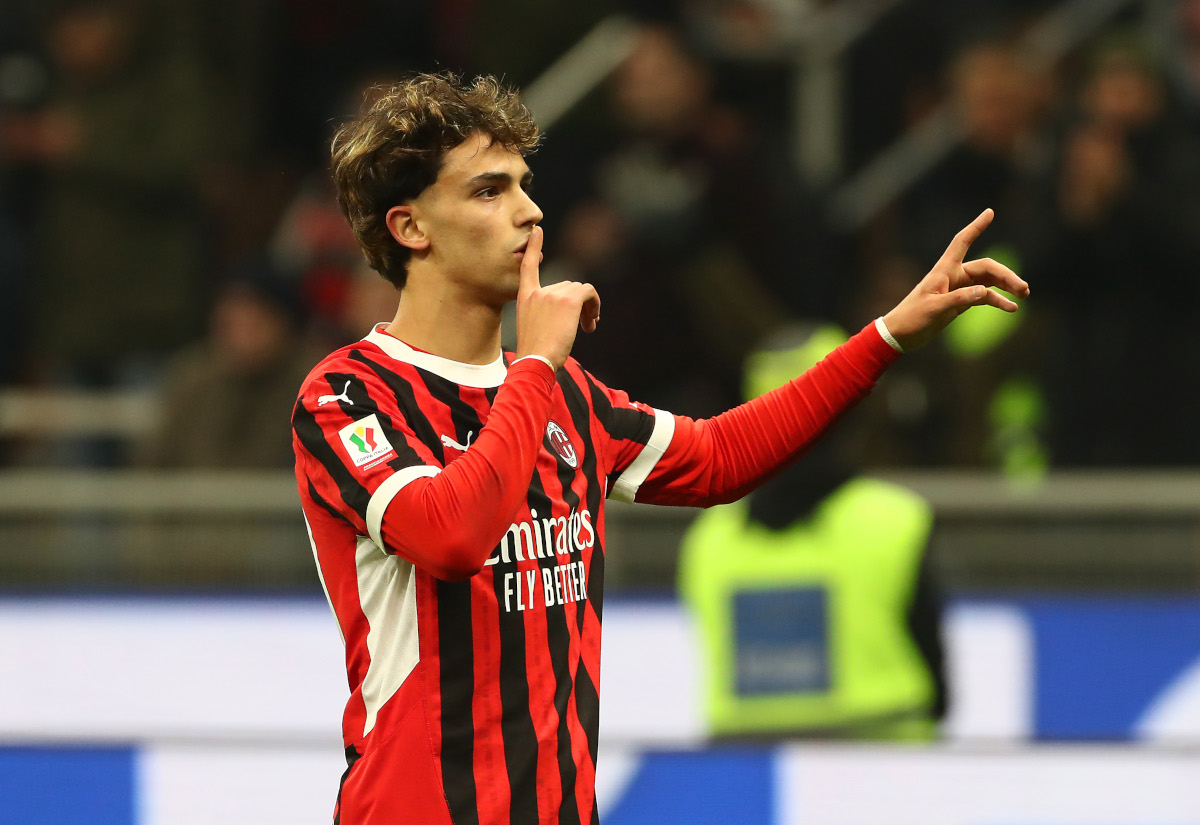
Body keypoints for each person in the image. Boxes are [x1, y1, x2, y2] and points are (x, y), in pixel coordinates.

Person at [291, 72, 1028, 825]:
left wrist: (887, 335)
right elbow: (450, 535)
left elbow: (718, 458)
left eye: (523, 186)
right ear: (410, 227)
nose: (529, 212)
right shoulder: (348, 395)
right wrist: (537, 364)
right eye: (488, 191)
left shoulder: (565, 395)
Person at [678, 324, 946, 742]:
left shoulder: (708, 537)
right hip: (887, 766)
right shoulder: (895, 519)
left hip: (747, 770)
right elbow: (940, 690)